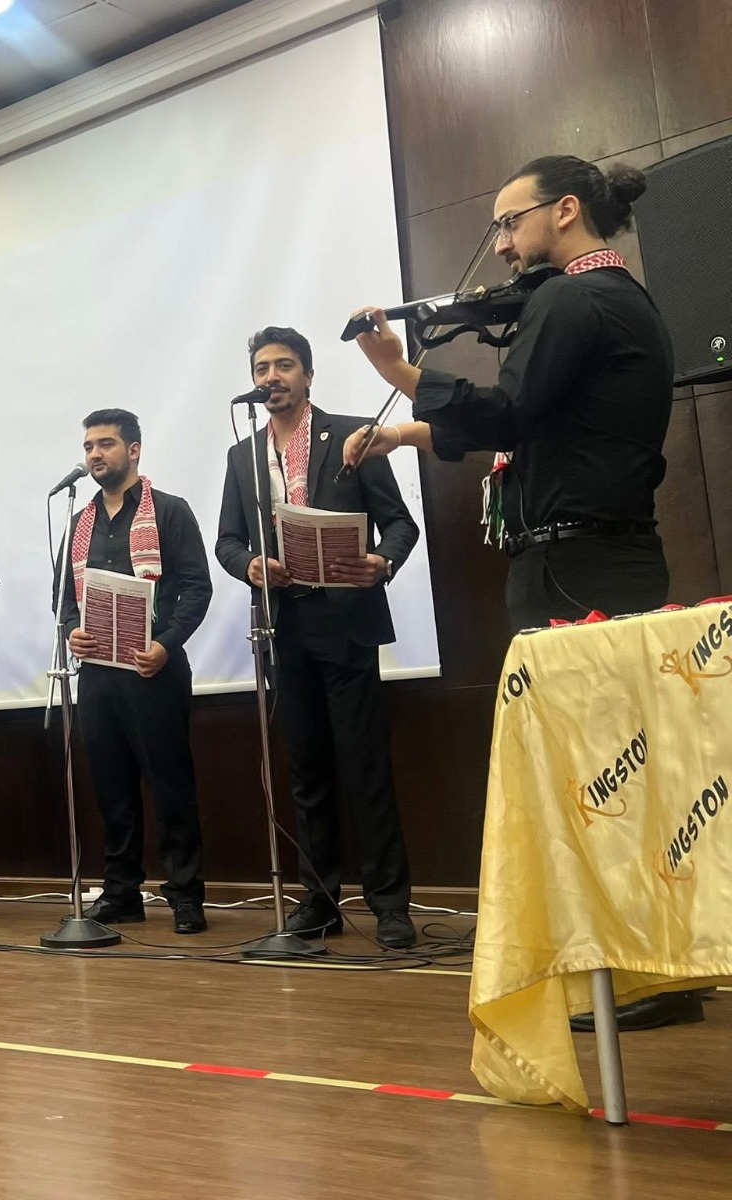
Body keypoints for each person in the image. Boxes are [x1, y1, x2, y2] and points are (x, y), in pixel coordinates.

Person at [346, 156, 690, 1020]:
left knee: (603, 775)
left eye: (509, 222)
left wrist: (399, 375)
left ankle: (647, 974)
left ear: (565, 210)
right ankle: (651, 970)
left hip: (579, 567)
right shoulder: (609, 296)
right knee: (613, 772)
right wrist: (406, 432)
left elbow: (508, 411)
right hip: (593, 559)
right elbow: (543, 422)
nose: (500, 245)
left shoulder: (575, 299)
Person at [216, 327, 420, 950]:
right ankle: (320, 902)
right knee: (306, 771)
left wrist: (383, 561)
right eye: (262, 368)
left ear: (308, 375)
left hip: (347, 621)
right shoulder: (242, 456)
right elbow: (227, 541)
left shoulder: (354, 434)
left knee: (365, 766)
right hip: (285, 626)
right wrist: (251, 564)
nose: (271, 377)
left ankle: (390, 905)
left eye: (284, 366)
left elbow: (400, 525)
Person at [57, 410, 213, 935]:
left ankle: (185, 895)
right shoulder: (78, 523)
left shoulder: (169, 510)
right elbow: (64, 600)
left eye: (105, 444)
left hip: (154, 670)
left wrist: (166, 644)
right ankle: (122, 892)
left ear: (134, 450)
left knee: (171, 786)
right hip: (98, 674)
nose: (95, 455)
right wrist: (72, 631)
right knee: (112, 789)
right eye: (88, 446)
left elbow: (197, 588)